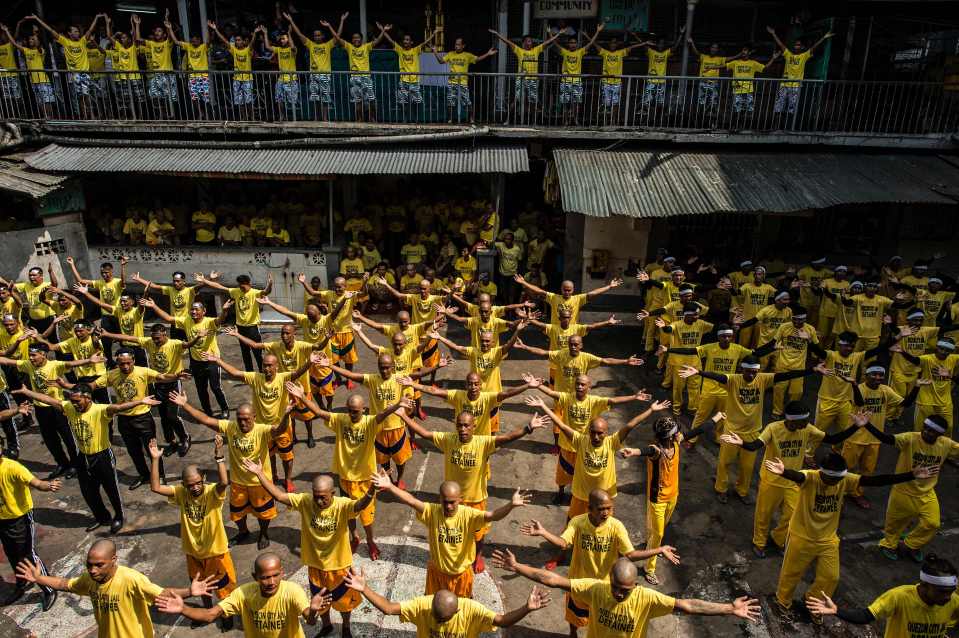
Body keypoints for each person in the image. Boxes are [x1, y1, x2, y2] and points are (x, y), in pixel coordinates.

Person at [766, 451, 936, 622]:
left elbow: (874, 481)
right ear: (822, 473)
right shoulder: (810, 477)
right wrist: (784, 472)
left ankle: (812, 602)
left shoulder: (844, 479)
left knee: (831, 577)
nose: (838, 482)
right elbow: (798, 476)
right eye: (834, 479)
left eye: (840, 478)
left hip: (828, 539)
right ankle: (783, 601)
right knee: (792, 573)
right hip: (801, 537)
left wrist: (911, 475)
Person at [399, 409, 549, 572]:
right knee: (450, 529)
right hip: (453, 497)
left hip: (475, 498)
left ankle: (478, 556)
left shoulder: (482, 443)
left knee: (478, 532)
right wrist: (403, 415)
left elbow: (507, 438)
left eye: (466, 425)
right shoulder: (449, 439)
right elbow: (425, 433)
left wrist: (528, 427)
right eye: (459, 425)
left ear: (474, 426)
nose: (462, 429)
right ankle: (452, 555)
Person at [242, 457, 375, 637]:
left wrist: (371, 491)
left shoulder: (342, 506)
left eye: (323, 498)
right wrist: (259, 474)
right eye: (316, 496)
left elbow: (359, 505)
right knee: (321, 600)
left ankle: (345, 627)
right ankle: (326, 625)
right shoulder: (305, 501)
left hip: (339, 566)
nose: (319, 502)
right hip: (315, 566)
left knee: (345, 603)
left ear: (333, 493)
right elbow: (279, 496)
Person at [520, 488, 679, 631]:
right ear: (590, 509)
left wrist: (659, 550)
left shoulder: (616, 527)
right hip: (580, 584)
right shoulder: (578, 523)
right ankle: (573, 632)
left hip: (606, 587)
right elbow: (563, 543)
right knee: (575, 616)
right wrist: (544, 533)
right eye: (601, 509)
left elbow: (630, 554)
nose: (606, 513)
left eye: (609, 508)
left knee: (601, 621)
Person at [492, 550, 762, 635]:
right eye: (616, 589)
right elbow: (551, 579)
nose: (620, 595)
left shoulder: (647, 598)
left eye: (626, 591)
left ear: (636, 586)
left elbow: (688, 605)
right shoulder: (596, 589)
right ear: (608, 580)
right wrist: (518, 565)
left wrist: (729, 608)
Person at [720, 403, 865, 558]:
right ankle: (759, 542)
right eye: (804, 420)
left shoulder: (807, 429)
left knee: (791, 515)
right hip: (772, 481)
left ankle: (778, 538)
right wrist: (742, 443)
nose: (808, 423)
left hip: (793, 481)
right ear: (793, 421)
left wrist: (856, 427)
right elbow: (756, 445)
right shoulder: (773, 428)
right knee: (764, 515)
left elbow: (832, 438)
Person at [678, 356, 827, 503]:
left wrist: (812, 370)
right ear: (742, 369)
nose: (751, 375)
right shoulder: (733, 380)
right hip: (732, 430)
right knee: (725, 462)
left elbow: (785, 375)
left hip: (753, 431)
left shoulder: (762, 379)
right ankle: (721, 488)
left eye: (754, 372)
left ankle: (742, 490)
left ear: (758, 370)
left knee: (747, 467)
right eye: (748, 371)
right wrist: (698, 372)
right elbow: (718, 376)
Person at [289, 382, 409, 562]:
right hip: (345, 478)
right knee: (349, 513)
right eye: (350, 410)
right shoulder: (341, 420)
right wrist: (302, 397)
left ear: (363, 410)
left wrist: (399, 404)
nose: (353, 414)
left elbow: (382, 414)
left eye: (356, 411)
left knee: (367, 518)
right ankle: (355, 537)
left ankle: (370, 540)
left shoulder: (370, 423)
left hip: (365, 480)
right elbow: (319, 412)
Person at [14, 382, 156, 532]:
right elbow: (49, 400)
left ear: (88, 398)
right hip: (82, 457)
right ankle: (102, 517)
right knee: (88, 491)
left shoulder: (100, 410)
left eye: (77, 401)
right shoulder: (69, 407)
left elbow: (118, 407)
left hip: (102, 456)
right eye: (72, 401)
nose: (74, 404)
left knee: (111, 489)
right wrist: (27, 391)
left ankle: (118, 517)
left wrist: (141, 401)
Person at [374, 470, 531, 597]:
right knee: (434, 608)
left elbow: (492, 516)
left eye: (452, 502)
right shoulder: (433, 512)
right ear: (439, 499)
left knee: (460, 609)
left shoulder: (468, 515)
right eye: (445, 501)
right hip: (437, 572)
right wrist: (390, 486)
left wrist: (510, 505)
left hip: (461, 575)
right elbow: (412, 501)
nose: (448, 506)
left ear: (460, 500)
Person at [17, 539, 215, 638]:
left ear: (113, 560)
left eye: (99, 565)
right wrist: (39, 578)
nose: (93, 570)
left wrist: (189, 591)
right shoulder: (89, 579)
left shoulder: (131, 580)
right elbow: (64, 584)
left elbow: (161, 593)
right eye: (89, 564)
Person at [171, 390, 292, 550]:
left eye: (246, 420)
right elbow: (206, 420)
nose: (242, 423)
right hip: (238, 482)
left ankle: (263, 533)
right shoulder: (231, 427)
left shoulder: (262, 430)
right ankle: (243, 532)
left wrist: (286, 415)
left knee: (263, 513)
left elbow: (279, 430)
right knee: (237, 512)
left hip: (259, 482)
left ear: (254, 418)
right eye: (239, 419)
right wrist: (184, 405)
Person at [530, 395, 670, 520]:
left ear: (606, 432)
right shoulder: (580, 441)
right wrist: (543, 406)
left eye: (600, 433)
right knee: (572, 521)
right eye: (593, 432)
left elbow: (630, 425)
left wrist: (651, 410)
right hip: (581, 494)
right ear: (588, 432)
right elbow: (561, 425)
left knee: (604, 526)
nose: (596, 437)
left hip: (604, 497)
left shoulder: (612, 442)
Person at [148, 437, 236, 629]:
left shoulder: (212, 493)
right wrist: (155, 459)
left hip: (215, 552)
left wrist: (219, 457)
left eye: (198, 483)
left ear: (203, 479)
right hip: (193, 552)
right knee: (199, 586)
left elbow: (223, 482)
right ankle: (205, 614)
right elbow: (155, 487)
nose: (195, 487)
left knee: (223, 589)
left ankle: (226, 615)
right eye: (190, 485)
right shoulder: (181, 493)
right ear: (183, 484)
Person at [203, 349, 318, 493]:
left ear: (277, 367)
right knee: (268, 455)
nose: (267, 368)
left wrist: (309, 363)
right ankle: (274, 475)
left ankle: (288, 479)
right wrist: (217, 360)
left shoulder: (282, 378)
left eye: (270, 365)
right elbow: (235, 373)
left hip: (282, 427)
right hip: (263, 429)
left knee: (287, 456)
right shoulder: (256, 378)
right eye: (264, 365)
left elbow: (297, 373)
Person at [529, 373, 649, 502]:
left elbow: (613, 401)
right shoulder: (567, 397)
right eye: (577, 384)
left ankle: (585, 496)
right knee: (563, 473)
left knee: (586, 474)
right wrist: (538, 386)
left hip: (586, 446)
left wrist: (634, 397)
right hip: (568, 445)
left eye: (583, 384)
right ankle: (561, 492)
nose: (579, 387)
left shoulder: (594, 401)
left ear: (589, 387)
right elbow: (552, 394)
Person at [0, 340, 105, 480]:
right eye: (30, 355)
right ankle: (62, 464)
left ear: (43, 355)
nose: (31, 358)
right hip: (40, 409)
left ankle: (76, 464)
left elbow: (70, 364)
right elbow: (8, 361)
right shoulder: (28, 364)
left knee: (68, 438)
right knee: (50, 440)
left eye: (34, 355)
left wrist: (89, 360)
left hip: (57, 408)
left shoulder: (54, 365)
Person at [155, 552, 330, 635]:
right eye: (265, 577)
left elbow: (311, 620)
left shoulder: (292, 591)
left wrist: (314, 610)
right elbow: (210, 615)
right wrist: (183, 608)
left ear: (282, 573)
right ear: (255, 577)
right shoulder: (244, 594)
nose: (271, 582)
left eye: (275, 575)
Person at [862, 414, 959, 562]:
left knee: (932, 523)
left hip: (926, 492)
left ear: (940, 435)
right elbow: (887, 439)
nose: (926, 432)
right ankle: (889, 545)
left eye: (931, 431)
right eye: (925, 428)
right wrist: (866, 425)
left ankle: (910, 544)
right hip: (903, 490)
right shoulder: (911, 438)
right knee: (894, 525)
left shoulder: (946, 444)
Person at [344, 566, 550, 634]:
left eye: (443, 620)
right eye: (437, 617)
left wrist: (527, 608)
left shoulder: (472, 609)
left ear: (458, 610)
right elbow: (388, 608)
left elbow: (502, 621)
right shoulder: (424, 605)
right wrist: (364, 588)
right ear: (432, 603)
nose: (439, 623)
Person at [322, 349, 417, 488]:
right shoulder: (373, 380)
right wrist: (330, 365)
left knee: (400, 459)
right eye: (381, 367)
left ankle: (400, 478)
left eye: (387, 368)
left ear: (393, 367)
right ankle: (388, 478)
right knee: (383, 458)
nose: (384, 371)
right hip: (377, 428)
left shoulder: (401, 380)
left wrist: (410, 408)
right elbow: (352, 375)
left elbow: (410, 407)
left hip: (396, 427)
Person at [807, 555, 959, 635]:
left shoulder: (953, 601)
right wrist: (836, 611)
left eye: (951, 591)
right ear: (925, 585)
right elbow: (866, 615)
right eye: (942, 592)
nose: (948, 597)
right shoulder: (899, 597)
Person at [844, 362, 918, 508]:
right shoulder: (858, 388)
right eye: (874, 375)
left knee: (867, 470)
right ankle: (838, 492)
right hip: (855, 437)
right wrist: (853, 385)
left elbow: (906, 403)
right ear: (866, 376)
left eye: (881, 375)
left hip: (875, 438)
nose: (878, 378)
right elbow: (859, 402)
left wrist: (917, 386)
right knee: (847, 467)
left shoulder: (885, 390)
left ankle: (856, 494)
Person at [142, 296, 231, 417]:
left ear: (203, 311)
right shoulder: (186, 320)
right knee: (201, 389)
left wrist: (225, 310)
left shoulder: (209, 322)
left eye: (196, 309)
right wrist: (154, 306)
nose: (193, 312)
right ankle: (207, 412)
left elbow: (220, 320)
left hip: (211, 361)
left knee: (215, 387)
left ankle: (225, 409)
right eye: (192, 309)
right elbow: (168, 318)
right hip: (196, 362)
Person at [0, 431, 60, 609]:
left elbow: (35, 482)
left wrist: (48, 486)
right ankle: (21, 583)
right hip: (2, 519)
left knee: (28, 555)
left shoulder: (13, 467)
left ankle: (49, 588)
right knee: (12, 554)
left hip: (19, 518)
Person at [517, 334, 644, 398]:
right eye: (571, 344)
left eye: (576, 344)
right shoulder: (561, 354)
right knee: (558, 424)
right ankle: (558, 446)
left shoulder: (587, 358)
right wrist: (524, 347)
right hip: (561, 395)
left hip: (578, 395)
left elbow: (607, 361)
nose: (573, 346)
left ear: (581, 346)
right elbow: (543, 352)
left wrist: (625, 361)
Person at [26, 14, 101, 118]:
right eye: (74, 31)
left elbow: (90, 30)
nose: (76, 33)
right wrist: (37, 19)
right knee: (80, 97)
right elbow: (51, 31)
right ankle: (85, 116)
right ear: (69, 33)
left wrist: (96, 18)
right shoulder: (65, 42)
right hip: (74, 75)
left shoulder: (83, 41)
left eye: (77, 31)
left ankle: (91, 116)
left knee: (86, 95)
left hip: (84, 73)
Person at [201, 273, 273, 373]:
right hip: (240, 328)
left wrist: (270, 283)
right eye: (239, 286)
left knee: (257, 352)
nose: (241, 289)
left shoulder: (255, 293)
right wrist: (204, 281)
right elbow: (220, 287)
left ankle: (262, 372)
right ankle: (249, 373)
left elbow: (266, 291)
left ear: (249, 284)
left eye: (243, 287)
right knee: (245, 353)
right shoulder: (236, 291)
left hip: (252, 328)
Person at [488, 29, 561, 121]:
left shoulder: (536, 50)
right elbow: (508, 42)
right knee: (517, 100)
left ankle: (534, 122)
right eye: (528, 41)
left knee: (533, 102)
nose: (530, 43)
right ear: (524, 43)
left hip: (533, 79)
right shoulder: (519, 51)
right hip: (521, 79)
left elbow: (547, 42)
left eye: (531, 41)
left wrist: (558, 34)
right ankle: (507, 119)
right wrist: (498, 34)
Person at [285, 12, 345, 120]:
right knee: (315, 98)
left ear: (323, 36)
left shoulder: (328, 45)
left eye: (319, 35)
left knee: (325, 98)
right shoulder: (310, 44)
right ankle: (317, 118)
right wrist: (291, 21)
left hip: (325, 75)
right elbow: (299, 35)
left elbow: (338, 36)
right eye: (315, 35)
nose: (317, 37)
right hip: (313, 75)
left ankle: (325, 118)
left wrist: (341, 21)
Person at [767, 25, 834, 121]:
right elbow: (781, 44)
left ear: (802, 47)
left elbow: (814, 47)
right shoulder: (788, 54)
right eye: (795, 44)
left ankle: (787, 127)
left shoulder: (803, 56)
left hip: (795, 86)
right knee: (778, 108)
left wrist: (823, 38)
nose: (796, 46)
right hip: (784, 84)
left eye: (798, 45)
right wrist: (773, 34)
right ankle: (776, 126)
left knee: (791, 109)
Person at [894, 337, 959, 435]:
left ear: (952, 351)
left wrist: (950, 375)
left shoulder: (954, 359)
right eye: (941, 348)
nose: (944, 352)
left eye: (947, 350)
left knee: (948, 427)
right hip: (926, 400)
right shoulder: (927, 359)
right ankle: (917, 448)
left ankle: (943, 448)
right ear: (936, 347)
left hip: (945, 401)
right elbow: (914, 360)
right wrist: (902, 352)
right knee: (920, 428)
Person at [326, 21, 389, 122]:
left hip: (366, 78)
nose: (356, 39)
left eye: (358, 37)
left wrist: (383, 30)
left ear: (361, 39)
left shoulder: (366, 47)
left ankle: (372, 118)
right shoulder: (349, 47)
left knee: (371, 100)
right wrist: (330, 26)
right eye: (354, 38)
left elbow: (378, 41)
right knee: (358, 101)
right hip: (355, 78)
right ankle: (359, 119)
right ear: (352, 40)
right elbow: (337, 38)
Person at [378, 25, 438, 119]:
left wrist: (433, 34)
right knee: (402, 102)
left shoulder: (415, 50)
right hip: (403, 81)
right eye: (404, 40)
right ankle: (406, 119)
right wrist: (383, 30)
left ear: (411, 42)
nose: (405, 41)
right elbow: (390, 40)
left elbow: (425, 42)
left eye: (407, 40)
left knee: (417, 102)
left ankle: (416, 120)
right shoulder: (400, 50)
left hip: (414, 81)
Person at [432, 38, 497, 123]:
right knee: (450, 102)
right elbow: (441, 61)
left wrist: (488, 54)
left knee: (467, 102)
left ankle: (471, 119)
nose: (456, 46)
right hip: (452, 82)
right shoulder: (451, 54)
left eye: (459, 44)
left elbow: (477, 59)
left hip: (463, 82)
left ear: (463, 46)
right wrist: (435, 52)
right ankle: (450, 119)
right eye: (456, 44)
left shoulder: (467, 55)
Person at [515, 275, 623, 325]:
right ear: (561, 289)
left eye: (569, 290)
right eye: (565, 290)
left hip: (571, 330)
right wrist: (524, 283)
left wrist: (609, 287)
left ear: (573, 290)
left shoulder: (578, 299)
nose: (567, 292)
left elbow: (593, 293)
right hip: (556, 330)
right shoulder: (554, 298)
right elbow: (539, 291)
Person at [208, 22, 260, 120]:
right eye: (236, 40)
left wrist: (255, 34)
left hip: (247, 79)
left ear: (244, 41)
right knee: (239, 101)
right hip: (236, 79)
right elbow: (224, 41)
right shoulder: (234, 50)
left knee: (248, 101)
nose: (237, 42)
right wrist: (215, 29)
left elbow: (252, 43)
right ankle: (244, 118)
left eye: (239, 40)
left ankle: (252, 118)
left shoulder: (248, 50)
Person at [552, 25, 603, 125]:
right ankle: (566, 120)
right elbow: (554, 43)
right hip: (565, 81)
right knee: (565, 103)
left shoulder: (580, 52)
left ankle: (575, 119)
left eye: (574, 43)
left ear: (576, 44)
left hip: (577, 81)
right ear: (568, 44)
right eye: (571, 43)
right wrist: (555, 34)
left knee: (576, 103)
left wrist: (597, 31)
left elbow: (591, 43)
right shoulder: (565, 52)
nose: (573, 44)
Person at [133, 13, 177, 119]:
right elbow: (138, 39)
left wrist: (168, 26)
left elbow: (171, 37)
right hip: (156, 75)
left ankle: (171, 117)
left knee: (169, 99)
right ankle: (162, 116)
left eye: (159, 31)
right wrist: (137, 24)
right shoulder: (151, 44)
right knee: (155, 97)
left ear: (164, 34)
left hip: (168, 75)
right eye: (156, 31)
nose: (157, 33)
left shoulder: (167, 43)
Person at [165, 18, 212, 116]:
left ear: (199, 40)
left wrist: (208, 28)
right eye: (192, 41)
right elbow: (176, 41)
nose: (193, 43)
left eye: (195, 41)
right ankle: (200, 113)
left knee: (205, 97)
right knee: (194, 97)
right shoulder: (188, 46)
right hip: (192, 76)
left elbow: (208, 41)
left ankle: (208, 114)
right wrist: (169, 29)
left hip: (203, 76)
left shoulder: (203, 47)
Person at [687, 38, 739, 121]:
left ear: (717, 50)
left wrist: (739, 55)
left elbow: (730, 58)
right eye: (712, 47)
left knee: (713, 104)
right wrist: (692, 42)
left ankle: (711, 123)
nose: (714, 49)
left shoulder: (719, 59)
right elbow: (696, 53)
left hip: (714, 84)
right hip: (703, 83)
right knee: (701, 103)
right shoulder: (704, 57)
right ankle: (700, 121)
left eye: (715, 48)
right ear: (710, 48)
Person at [725, 48, 779, 123]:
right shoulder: (735, 62)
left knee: (748, 111)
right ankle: (734, 126)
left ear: (749, 52)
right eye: (742, 50)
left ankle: (742, 126)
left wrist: (773, 58)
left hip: (748, 90)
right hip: (737, 90)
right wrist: (711, 67)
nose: (743, 52)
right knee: (736, 110)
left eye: (745, 50)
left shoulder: (753, 63)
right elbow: (724, 66)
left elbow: (765, 68)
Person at [638, 30, 685, 114]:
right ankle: (646, 120)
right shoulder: (651, 52)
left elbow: (675, 47)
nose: (661, 45)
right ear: (656, 44)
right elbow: (643, 44)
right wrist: (635, 36)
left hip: (662, 82)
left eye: (662, 43)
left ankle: (657, 120)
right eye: (659, 43)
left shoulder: (666, 53)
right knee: (646, 102)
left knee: (660, 103)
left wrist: (681, 34)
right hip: (651, 81)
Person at [261, 26, 299, 119]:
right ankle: (282, 116)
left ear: (288, 39)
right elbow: (267, 47)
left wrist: (289, 34)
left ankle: (293, 118)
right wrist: (265, 33)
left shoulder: (293, 49)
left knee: (292, 101)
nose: (282, 40)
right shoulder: (279, 49)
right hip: (281, 79)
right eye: (281, 39)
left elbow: (293, 47)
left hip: (291, 79)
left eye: (284, 38)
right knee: (279, 99)